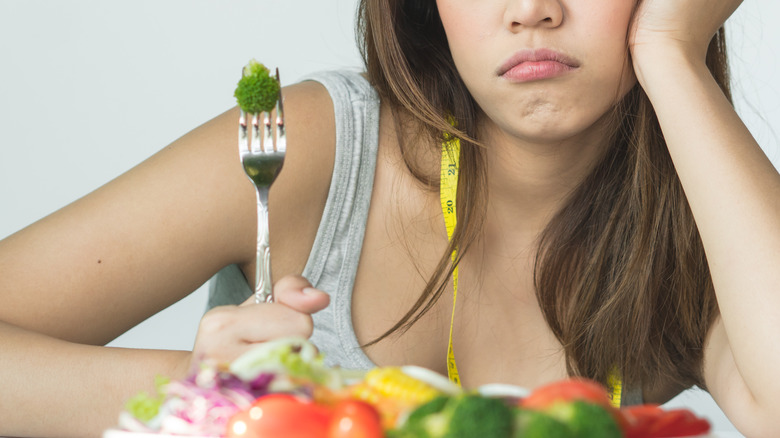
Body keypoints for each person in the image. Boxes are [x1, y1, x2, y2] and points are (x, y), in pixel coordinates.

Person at [1, 0, 777, 436]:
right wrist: (200, 394)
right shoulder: (315, 145)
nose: (533, 10)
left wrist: (674, 51)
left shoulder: (705, 221)